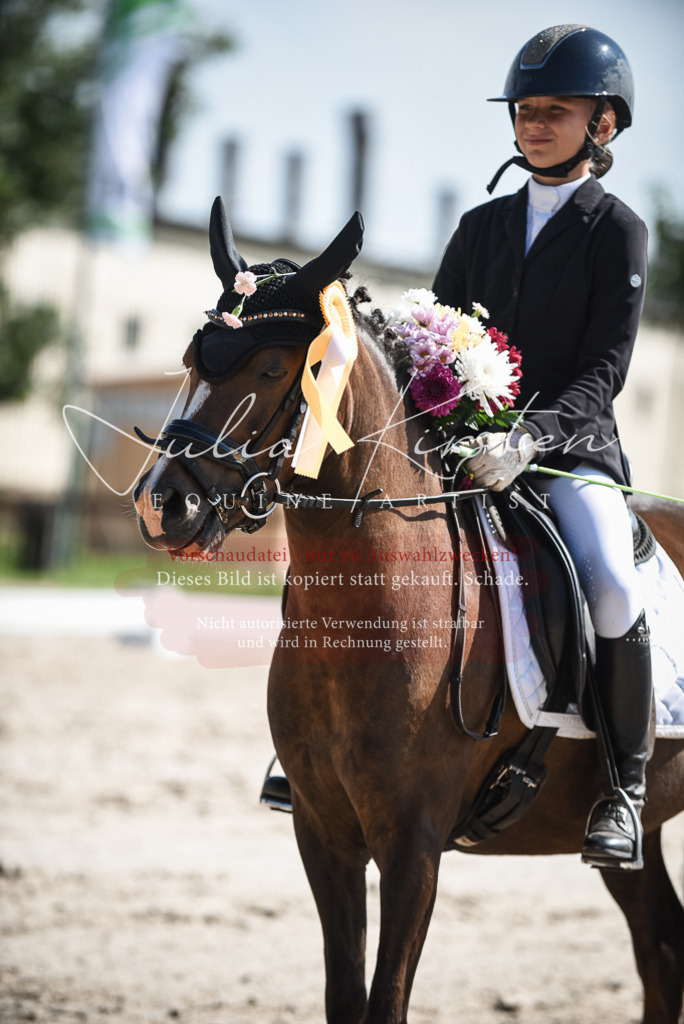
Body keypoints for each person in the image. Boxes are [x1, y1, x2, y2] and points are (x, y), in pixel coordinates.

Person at [432, 24, 652, 870]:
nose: (531, 124)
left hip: (571, 452)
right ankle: (311, 748)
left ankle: (624, 790)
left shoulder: (618, 231)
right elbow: (437, 339)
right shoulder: (481, 227)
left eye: (553, 111)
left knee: (603, 573)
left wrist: (533, 437)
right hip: (464, 448)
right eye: (524, 110)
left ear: (602, 124)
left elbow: (605, 367)